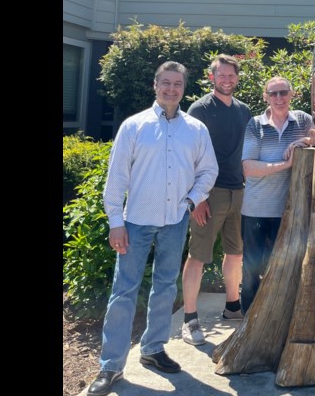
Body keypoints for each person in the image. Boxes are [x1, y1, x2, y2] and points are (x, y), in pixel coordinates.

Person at [87, 61, 219, 396]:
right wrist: (116, 222)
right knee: (123, 292)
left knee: (164, 288)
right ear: (155, 85)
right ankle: (111, 366)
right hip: (135, 223)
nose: (171, 89)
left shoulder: (195, 129)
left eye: (177, 84)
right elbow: (116, 179)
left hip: (174, 222)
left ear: (184, 88)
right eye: (165, 83)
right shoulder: (134, 126)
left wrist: (191, 200)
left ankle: (153, 349)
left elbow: (209, 170)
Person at [180, 55, 254, 346]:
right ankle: (189, 319)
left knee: (236, 253)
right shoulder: (200, 109)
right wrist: (197, 199)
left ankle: (232, 306)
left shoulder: (243, 110)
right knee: (198, 256)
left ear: (237, 78)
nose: (226, 80)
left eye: (231, 75)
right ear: (212, 78)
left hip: (239, 191)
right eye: (221, 75)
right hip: (210, 193)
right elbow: (189, 155)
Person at [239, 76, 314, 313]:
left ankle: (277, 318)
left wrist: (302, 139)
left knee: (284, 268)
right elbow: (249, 168)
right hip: (256, 210)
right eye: (274, 94)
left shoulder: (302, 120)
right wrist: (286, 164)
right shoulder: (255, 124)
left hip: (289, 211)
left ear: (292, 94)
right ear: (266, 97)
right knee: (251, 270)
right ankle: (248, 321)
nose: (279, 98)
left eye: (283, 92)